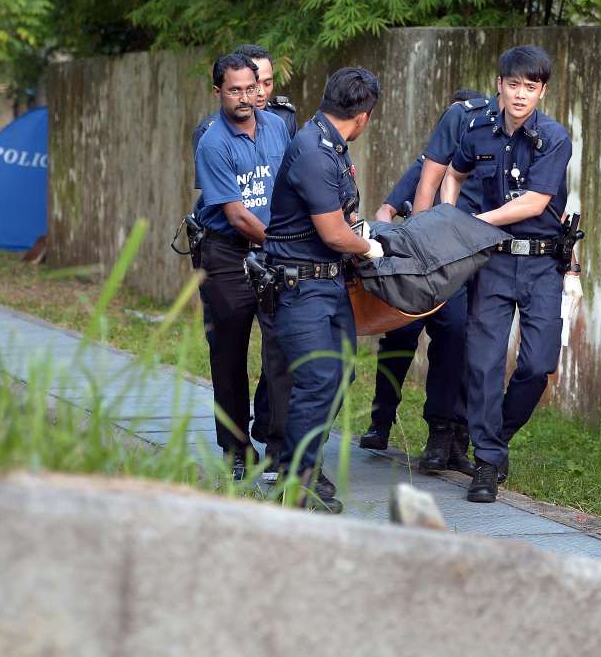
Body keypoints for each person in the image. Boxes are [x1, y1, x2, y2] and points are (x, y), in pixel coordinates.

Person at [442, 46, 573, 504]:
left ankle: (494, 434)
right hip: (493, 262)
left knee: (538, 364)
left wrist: (476, 221)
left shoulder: (555, 137)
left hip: (541, 264)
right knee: (482, 362)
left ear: (542, 91)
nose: (521, 95)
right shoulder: (478, 130)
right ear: (499, 84)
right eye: (513, 84)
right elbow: (453, 174)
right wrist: (449, 211)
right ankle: (488, 461)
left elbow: (536, 202)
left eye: (531, 87)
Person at [263, 67, 383, 513]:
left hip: (327, 283)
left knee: (338, 374)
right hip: (300, 287)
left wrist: (360, 232)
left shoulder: (330, 144)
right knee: (315, 379)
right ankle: (296, 483)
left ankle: (305, 466)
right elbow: (333, 233)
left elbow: (340, 219)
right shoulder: (314, 150)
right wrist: (370, 247)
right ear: (365, 116)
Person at [359, 88, 492, 475]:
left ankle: (440, 436)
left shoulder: (488, 171)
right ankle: (380, 420)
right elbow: (387, 208)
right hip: (417, 272)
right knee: (399, 338)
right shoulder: (426, 167)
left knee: (453, 341)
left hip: (458, 276)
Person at [189, 43, 296, 456]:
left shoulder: (277, 126)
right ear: (218, 92)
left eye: (250, 88)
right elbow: (236, 215)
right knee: (230, 356)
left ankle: (278, 440)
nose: (245, 97)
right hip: (228, 256)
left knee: (282, 347)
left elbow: (289, 186)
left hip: (274, 254)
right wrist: (286, 241)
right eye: (234, 90)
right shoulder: (212, 143)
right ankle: (235, 448)